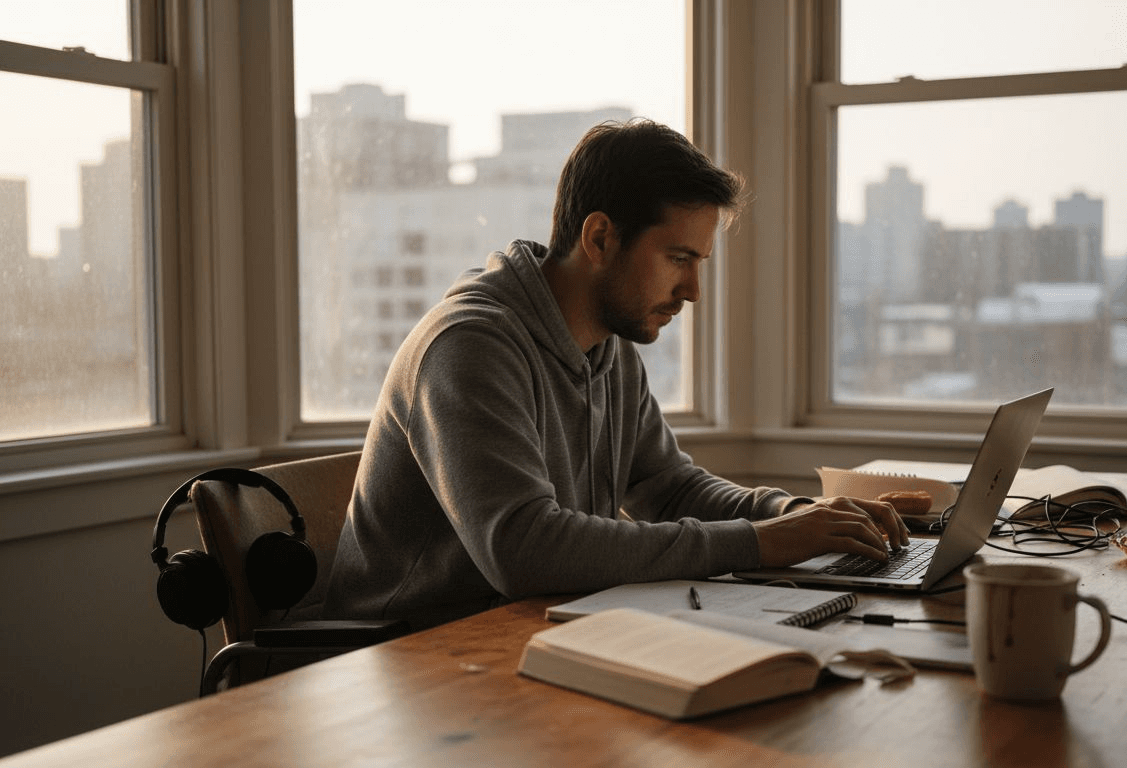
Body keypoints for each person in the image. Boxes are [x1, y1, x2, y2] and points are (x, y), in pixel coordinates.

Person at [325, 119, 908, 629]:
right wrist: (759, 543)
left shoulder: (609, 348)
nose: (693, 291)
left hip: (528, 632)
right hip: (400, 660)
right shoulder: (469, 347)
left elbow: (669, 487)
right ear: (600, 237)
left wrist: (791, 515)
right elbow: (524, 549)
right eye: (678, 259)